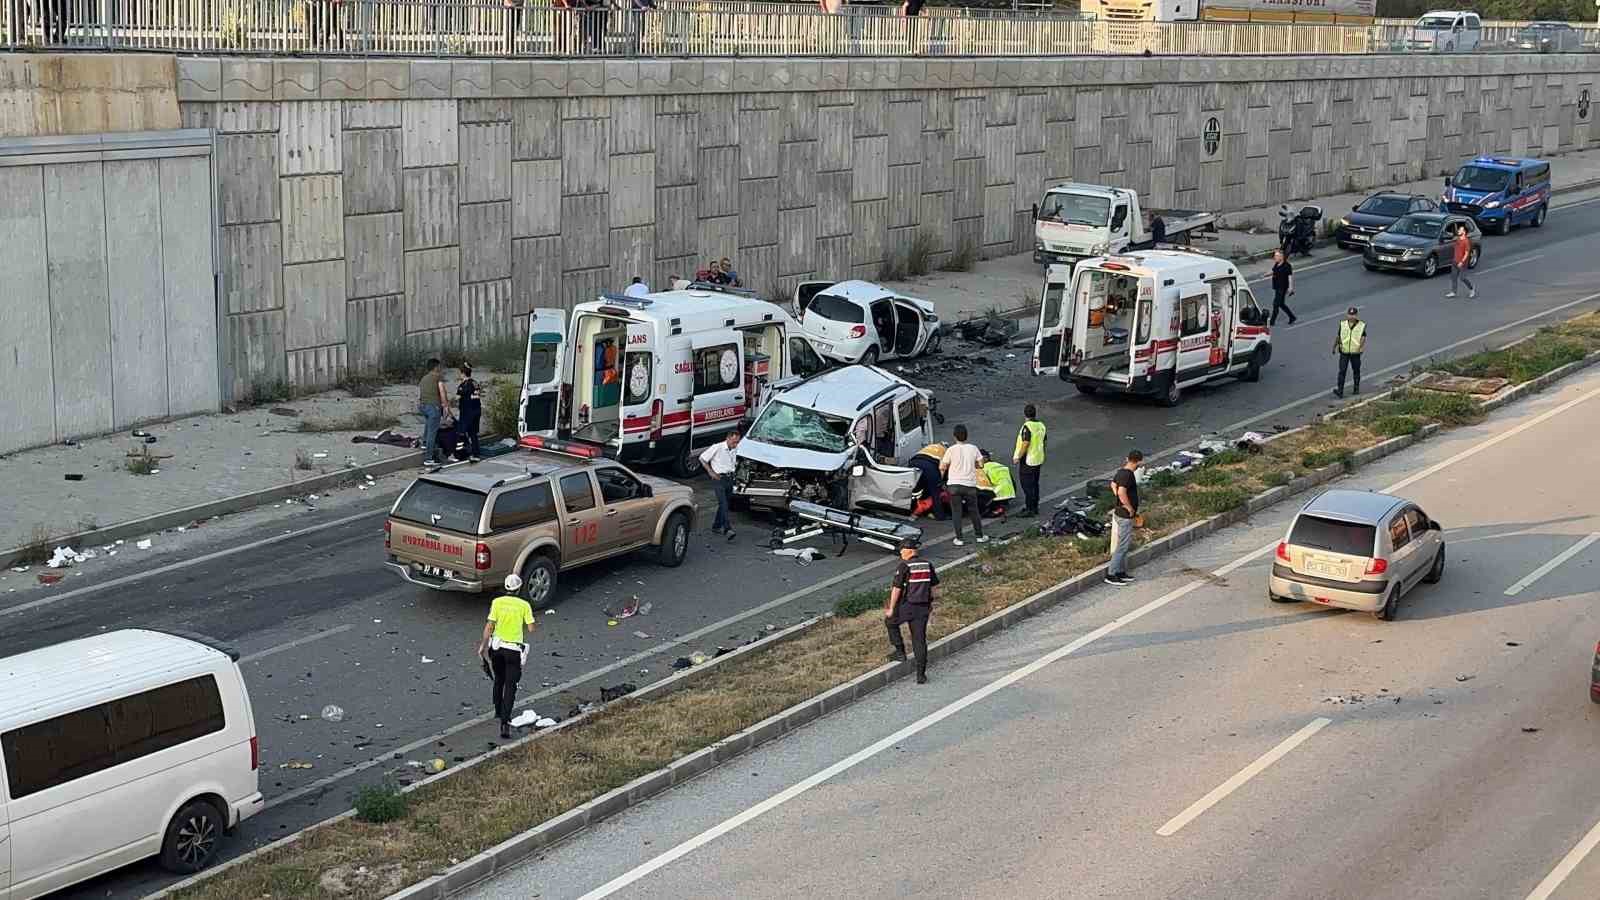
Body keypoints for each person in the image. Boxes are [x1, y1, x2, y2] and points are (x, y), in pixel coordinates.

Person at [477, 574, 535, 739]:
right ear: (519, 588)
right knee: (511, 685)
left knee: (499, 679)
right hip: (513, 650)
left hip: (496, 648)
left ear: (506, 587)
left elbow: (489, 626)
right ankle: (505, 721)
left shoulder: (497, 602)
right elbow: (531, 628)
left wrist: (482, 646)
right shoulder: (524, 605)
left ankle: (497, 710)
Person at [883, 537, 938, 684]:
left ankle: (900, 652)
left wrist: (891, 608)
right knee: (919, 640)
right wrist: (931, 603)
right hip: (923, 607)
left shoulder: (904, 566)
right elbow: (933, 587)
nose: (901, 554)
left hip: (907, 606)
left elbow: (896, 589)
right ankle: (921, 675)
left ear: (909, 551)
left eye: (902, 551)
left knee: (890, 622)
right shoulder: (927, 564)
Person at [939, 424, 987, 547]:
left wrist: (942, 477)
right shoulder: (973, 448)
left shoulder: (951, 450)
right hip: (969, 485)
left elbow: (942, 467)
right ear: (966, 436)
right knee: (974, 511)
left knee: (956, 512)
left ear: (954, 436)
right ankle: (979, 536)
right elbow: (981, 464)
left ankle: (959, 538)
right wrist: (973, 465)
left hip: (954, 485)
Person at [1106, 450, 1142, 585]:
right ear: (1139, 461)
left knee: (1123, 545)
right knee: (1122, 546)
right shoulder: (1128, 475)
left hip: (1118, 513)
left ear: (1127, 458)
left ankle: (1120, 571)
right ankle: (1111, 574)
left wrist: (1118, 498)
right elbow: (1122, 492)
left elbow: (1113, 485)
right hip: (1125, 516)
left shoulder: (1121, 472)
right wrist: (1128, 507)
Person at [698, 428, 742, 541]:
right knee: (723, 503)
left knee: (724, 503)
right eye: (734, 442)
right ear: (727, 439)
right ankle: (727, 528)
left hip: (729, 478)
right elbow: (702, 458)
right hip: (719, 479)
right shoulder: (717, 447)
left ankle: (716, 526)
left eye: (737, 442)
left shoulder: (735, 448)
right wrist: (710, 472)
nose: (735, 444)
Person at [1013, 404, 1046, 516]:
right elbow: (1044, 441)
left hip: (1028, 460)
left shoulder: (1027, 427)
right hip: (1038, 459)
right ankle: (1034, 507)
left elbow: (1025, 443)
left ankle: (1029, 509)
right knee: (1035, 484)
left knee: (1027, 486)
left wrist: (1018, 457)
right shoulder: (1041, 425)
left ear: (1025, 414)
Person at [418, 358, 450, 468]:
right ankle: (428, 459)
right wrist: (445, 406)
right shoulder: (437, 377)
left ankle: (424, 443)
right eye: (439, 366)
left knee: (428, 425)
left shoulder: (423, 378)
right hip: (433, 407)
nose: (440, 368)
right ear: (436, 367)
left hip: (423, 406)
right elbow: (442, 392)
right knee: (432, 433)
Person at [1333, 307, 1366, 398]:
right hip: (1344, 352)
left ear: (1356, 315)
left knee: (1356, 370)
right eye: (1350, 315)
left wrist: (1361, 347)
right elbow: (1338, 336)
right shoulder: (1343, 324)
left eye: (1353, 315)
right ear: (1347, 315)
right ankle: (1340, 391)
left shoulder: (1361, 325)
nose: (1351, 316)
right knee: (1342, 371)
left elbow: (1363, 337)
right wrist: (1334, 346)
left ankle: (1356, 388)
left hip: (1355, 352)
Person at [975, 449, 1016, 518]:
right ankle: (1001, 504)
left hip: (997, 494)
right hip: (1010, 492)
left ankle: (993, 508)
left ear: (985, 458)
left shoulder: (983, 468)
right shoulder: (998, 465)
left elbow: (982, 486)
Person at [456, 364, 482, 462]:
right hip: (477, 410)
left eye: (460, 373)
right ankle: (476, 454)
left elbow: (457, 397)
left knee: (461, 433)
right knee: (473, 433)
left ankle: (459, 454)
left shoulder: (463, 385)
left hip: (467, 412)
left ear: (463, 373)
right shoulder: (475, 383)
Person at [1446, 226, 1476, 300]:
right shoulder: (1457, 239)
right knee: (1453, 277)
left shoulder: (1466, 241)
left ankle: (1471, 289)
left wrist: (1462, 262)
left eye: (1460, 230)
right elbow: (1452, 238)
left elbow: (1466, 253)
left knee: (1462, 278)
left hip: (1462, 263)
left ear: (1464, 232)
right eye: (1459, 229)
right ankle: (1453, 292)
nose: (1458, 230)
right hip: (1455, 261)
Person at [1269, 249, 1297, 326]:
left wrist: (1290, 287)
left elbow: (1289, 277)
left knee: (1276, 304)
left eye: (1276, 256)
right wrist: (1265, 275)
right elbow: (1273, 271)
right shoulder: (1277, 264)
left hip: (1282, 288)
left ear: (1281, 257)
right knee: (1281, 304)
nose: (1275, 257)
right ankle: (1292, 317)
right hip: (1277, 287)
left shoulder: (1287, 266)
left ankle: (1272, 322)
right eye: (1275, 256)